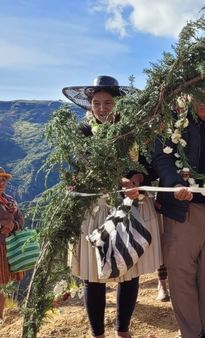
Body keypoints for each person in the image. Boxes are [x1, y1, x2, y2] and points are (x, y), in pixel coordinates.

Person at [63, 75, 163, 338]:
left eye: (108, 103)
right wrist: (113, 180)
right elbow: (80, 168)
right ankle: (97, 333)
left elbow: (146, 164)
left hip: (130, 205)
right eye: (97, 103)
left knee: (129, 268)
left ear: (118, 104)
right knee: (92, 274)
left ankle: (123, 329)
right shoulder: (81, 133)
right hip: (94, 208)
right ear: (90, 105)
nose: (102, 108)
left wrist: (139, 178)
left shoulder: (133, 131)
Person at [152, 89, 205, 338]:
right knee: (181, 273)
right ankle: (190, 332)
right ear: (188, 94)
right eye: (199, 95)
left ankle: (203, 327)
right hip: (182, 209)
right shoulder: (172, 120)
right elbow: (161, 158)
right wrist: (174, 184)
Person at [0, 167, 25, 324]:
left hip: (5, 248)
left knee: (2, 285)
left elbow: (21, 220)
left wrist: (13, 225)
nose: (2, 182)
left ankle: (0, 316)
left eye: (4, 180)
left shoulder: (10, 201)